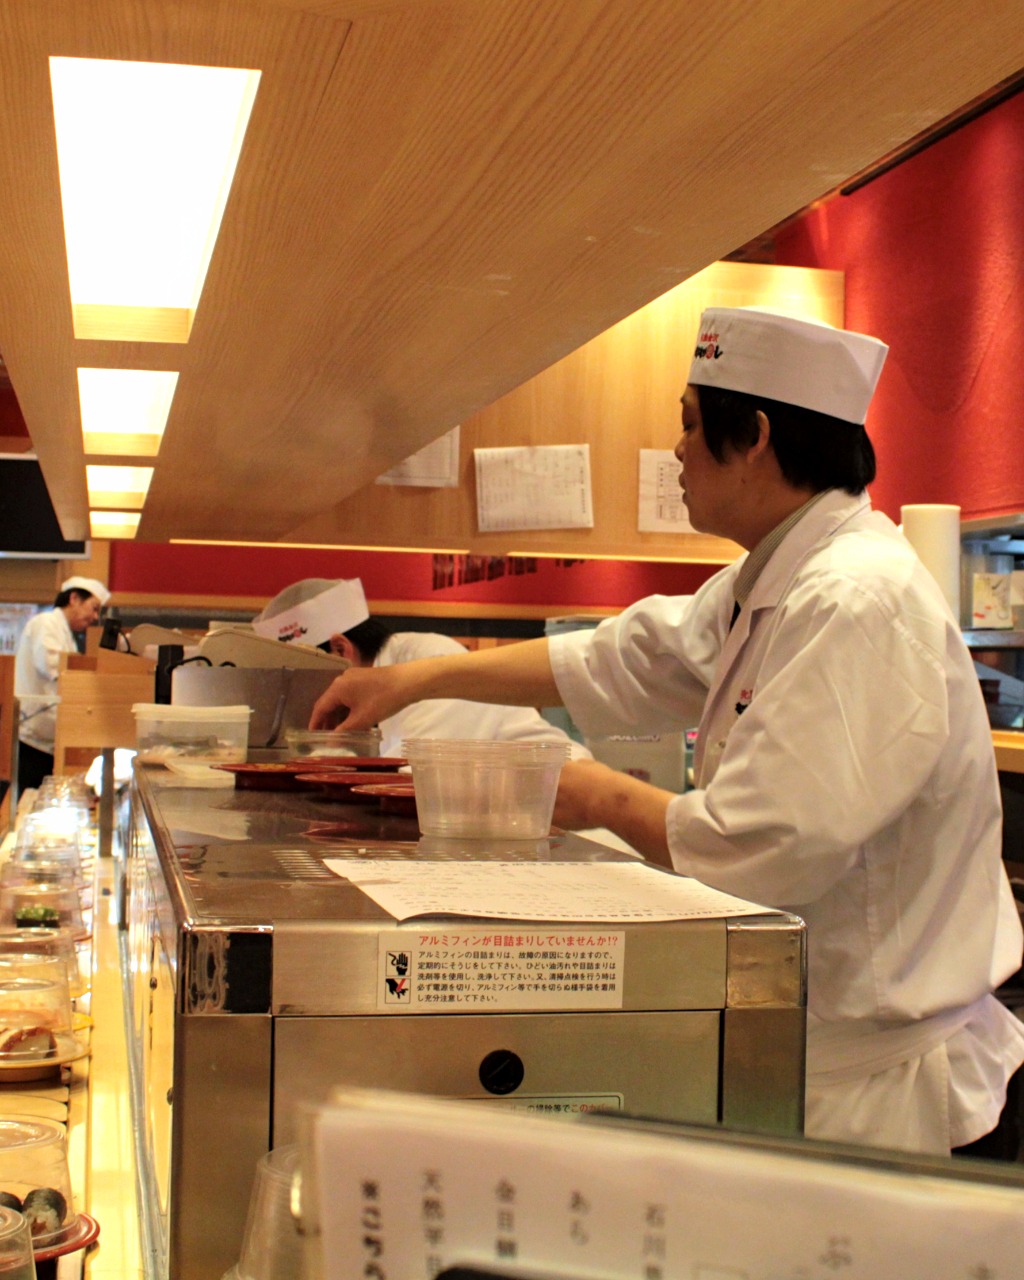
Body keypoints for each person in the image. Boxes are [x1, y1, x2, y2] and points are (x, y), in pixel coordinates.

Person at [309, 306, 1024, 1157]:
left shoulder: (855, 596)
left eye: (688, 425)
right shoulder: (772, 578)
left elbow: (763, 844)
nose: (677, 451)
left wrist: (586, 793)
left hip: (887, 1096)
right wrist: (408, 680)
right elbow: (623, 658)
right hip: (812, 1053)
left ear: (753, 435)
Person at [253, 577, 594, 760]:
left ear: (341, 649)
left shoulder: (431, 659)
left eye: (303, 672)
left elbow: (411, 778)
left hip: (573, 837)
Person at [14, 576, 110, 793]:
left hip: (50, 738)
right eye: (93, 608)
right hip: (33, 738)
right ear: (74, 598)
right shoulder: (46, 623)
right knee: (29, 797)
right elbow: (52, 665)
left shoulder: (65, 632)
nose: (95, 617)